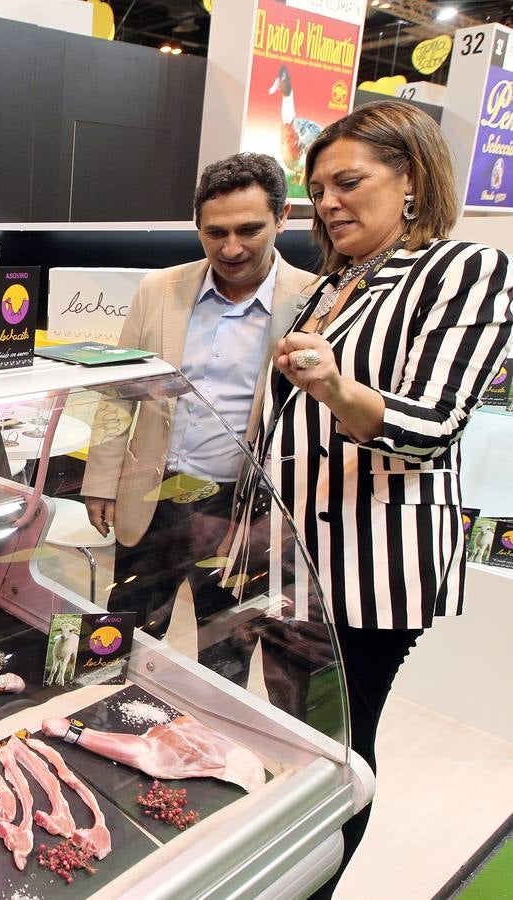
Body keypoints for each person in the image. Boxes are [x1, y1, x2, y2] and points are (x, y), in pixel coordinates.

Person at [258, 100, 512, 893]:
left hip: (372, 566)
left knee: (338, 748)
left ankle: (312, 885)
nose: (328, 203)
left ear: (411, 179)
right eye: (317, 189)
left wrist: (335, 386)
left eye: (348, 182)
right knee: (291, 736)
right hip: (294, 557)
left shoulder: (463, 269)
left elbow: (431, 425)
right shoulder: (336, 282)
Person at [80, 153, 316, 665]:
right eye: (215, 233)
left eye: (248, 230)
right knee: (122, 631)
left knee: (226, 646)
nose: (230, 248)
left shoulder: (314, 300)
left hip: (240, 506)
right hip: (153, 494)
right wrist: (100, 481)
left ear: (282, 218)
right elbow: (120, 392)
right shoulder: (159, 290)